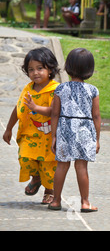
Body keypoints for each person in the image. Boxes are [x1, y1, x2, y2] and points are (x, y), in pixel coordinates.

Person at [2, 47, 60, 205]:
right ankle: (36, 177)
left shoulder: (55, 90)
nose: (35, 73)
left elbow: (55, 112)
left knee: (49, 166)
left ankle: (50, 191)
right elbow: (19, 107)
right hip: (30, 134)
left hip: (49, 137)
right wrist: (8, 128)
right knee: (25, 158)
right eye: (31, 69)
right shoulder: (28, 89)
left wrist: (36, 108)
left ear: (50, 68)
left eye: (40, 68)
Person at [48, 48, 101, 212]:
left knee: (62, 166)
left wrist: (54, 136)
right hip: (84, 131)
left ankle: (56, 201)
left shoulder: (60, 89)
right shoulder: (92, 90)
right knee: (82, 167)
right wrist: (97, 139)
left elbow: (55, 114)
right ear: (89, 69)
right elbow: (96, 117)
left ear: (68, 66)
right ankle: (85, 202)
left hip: (65, 129)